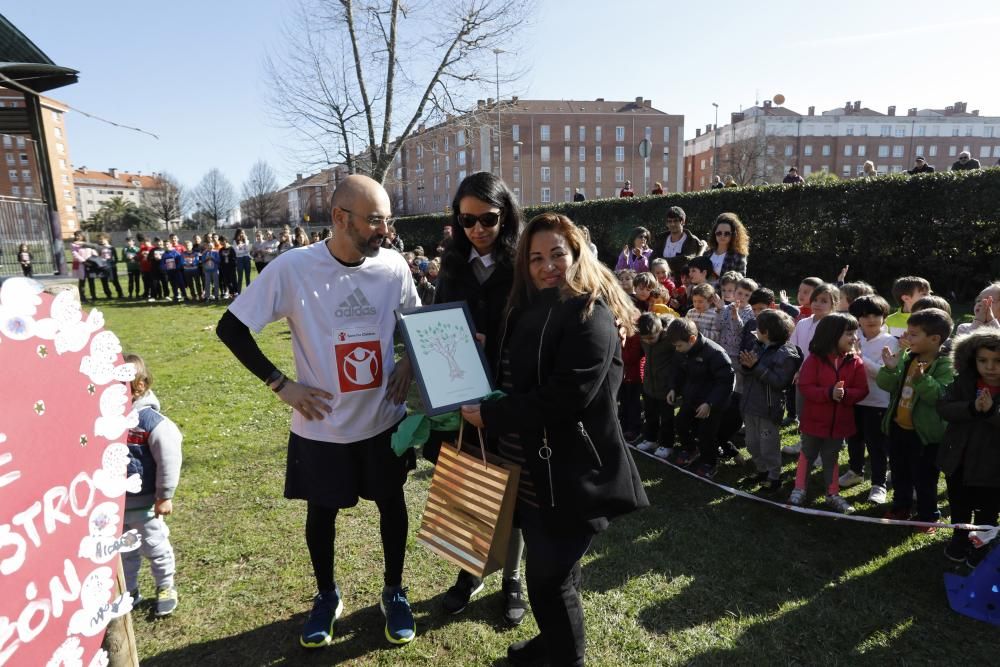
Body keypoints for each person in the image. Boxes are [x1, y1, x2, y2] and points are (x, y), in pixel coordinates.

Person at [216, 174, 420, 648]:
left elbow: (416, 319)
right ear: (339, 218)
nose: (384, 231)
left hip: (382, 420)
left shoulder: (392, 267)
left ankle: (394, 591)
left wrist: (409, 359)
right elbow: (231, 328)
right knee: (322, 513)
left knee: (392, 503)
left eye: (387, 221)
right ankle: (326, 596)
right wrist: (281, 385)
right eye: (374, 221)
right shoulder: (293, 269)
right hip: (322, 427)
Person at [461, 212, 647, 667]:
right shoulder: (527, 306)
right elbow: (519, 374)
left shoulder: (592, 314)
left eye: (557, 254)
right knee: (553, 574)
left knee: (549, 581)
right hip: (527, 468)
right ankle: (551, 646)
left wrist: (491, 413)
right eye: (536, 257)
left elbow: (566, 397)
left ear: (577, 254)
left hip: (568, 473)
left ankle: (567, 659)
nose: (548, 266)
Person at [431, 171, 528, 625]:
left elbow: (536, 330)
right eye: (466, 220)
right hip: (464, 390)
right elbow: (435, 324)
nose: (478, 229)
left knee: (513, 487)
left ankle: (512, 576)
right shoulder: (452, 265)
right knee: (471, 482)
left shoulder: (523, 264)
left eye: (488, 218)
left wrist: (496, 345)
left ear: (504, 214)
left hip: (510, 391)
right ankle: (470, 570)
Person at [878, 308, 955, 529]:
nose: (906, 337)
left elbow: (939, 397)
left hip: (924, 435)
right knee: (900, 471)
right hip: (899, 428)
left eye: (913, 334)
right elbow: (887, 385)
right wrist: (890, 369)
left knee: (924, 477)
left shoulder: (945, 366)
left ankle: (928, 515)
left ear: (934, 339)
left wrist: (922, 380)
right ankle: (901, 506)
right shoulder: (907, 357)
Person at [787, 313, 868, 513]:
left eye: (855, 333)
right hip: (814, 421)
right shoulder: (814, 360)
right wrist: (828, 393)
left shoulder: (855, 362)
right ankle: (799, 488)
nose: (854, 338)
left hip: (840, 423)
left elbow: (862, 389)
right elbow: (805, 387)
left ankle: (832, 493)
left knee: (831, 458)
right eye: (849, 333)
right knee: (807, 454)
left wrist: (846, 394)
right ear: (832, 335)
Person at [122, 353, 183, 617]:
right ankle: (130, 590)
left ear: (141, 386)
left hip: (146, 502)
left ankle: (165, 586)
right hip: (117, 505)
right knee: (125, 551)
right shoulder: (107, 419)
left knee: (155, 546)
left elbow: (169, 459)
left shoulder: (152, 423)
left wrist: (164, 495)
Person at [937, 329, 1000, 566]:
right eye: (983, 361)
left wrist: (992, 412)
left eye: (997, 361)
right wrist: (972, 408)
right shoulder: (963, 382)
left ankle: (981, 546)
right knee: (959, 503)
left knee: (988, 509)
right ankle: (960, 537)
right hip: (959, 460)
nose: (990, 367)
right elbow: (944, 407)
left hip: (993, 467)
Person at [842, 295, 898, 504]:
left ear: (884, 316)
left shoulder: (891, 342)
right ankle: (855, 471)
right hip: (853, 400)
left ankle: (878, 484)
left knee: (877, 446)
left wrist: (859, 358)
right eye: (864, 315)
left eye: (876, 314)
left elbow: (883, 375)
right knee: (854, 439)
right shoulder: (852, 337)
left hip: (878, 402)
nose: (870, 319)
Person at [665, 317, 735, 477]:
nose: (677, 349)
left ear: (692, 339)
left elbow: (725, 383)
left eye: (679, 346)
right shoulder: (682, 351)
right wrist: (673, 388)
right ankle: (691, 450)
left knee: (706, 434)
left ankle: (709, 462)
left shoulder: (716, 354)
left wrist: (710, 403)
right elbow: (677, 370)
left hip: (712, 403)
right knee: (681, 423)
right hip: (691, 396)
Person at [738, 309, 800, 493]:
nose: (755, 331)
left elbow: (780, 382)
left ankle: (774, 477)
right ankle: (761, 470)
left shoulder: (787, 354)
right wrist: (746, 365)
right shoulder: (758, 344)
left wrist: (756, 367)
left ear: (765, 332)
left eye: (758, 328)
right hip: (750, 405)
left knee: (768, 445)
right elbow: (747, 369)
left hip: (768, 408)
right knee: (752, 443)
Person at [783, 283, 840, 456]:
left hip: (824, 378)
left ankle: (825, 450)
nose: (817, 304)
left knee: (822, 415)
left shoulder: (835, 325)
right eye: (815, 299)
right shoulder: (802, 323)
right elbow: (794, 348)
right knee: (803, 412)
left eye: (824, 301)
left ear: (834, 304)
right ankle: (805, 443)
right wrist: (796, 369)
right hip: (803, 376)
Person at [635, 313, 678, 460]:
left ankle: (667, 445)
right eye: (645, 339)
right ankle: (651, 439)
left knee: (666, 418)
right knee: (650, 414)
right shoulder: (644, 338)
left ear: (660, 330)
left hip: (665, 388)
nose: (648, 341)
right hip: (648, 384)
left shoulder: (670, 341)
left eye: (652, 338)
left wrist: (673, 385)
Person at [649, 206, 708, 278]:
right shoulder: (661, 239)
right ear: (666, 223)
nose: (672, 224)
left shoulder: (691, 240)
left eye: (675, 221)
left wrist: (660, 262)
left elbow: (686, 261)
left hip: (683, 282)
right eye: (669, 221)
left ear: (683, 222)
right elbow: (651, 260)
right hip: (661, 282)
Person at [702, 212, 749, 280]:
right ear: (714, 234)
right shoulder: (707, 254)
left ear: (733, 235)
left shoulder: (738, 256)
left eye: (727, 233)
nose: (722, 236)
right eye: (719, 233)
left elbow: (740, 282)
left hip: (724, 290)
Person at [71, 231, 97, 303]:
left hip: (90, 264)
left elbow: (93, 250)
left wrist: (93, 259)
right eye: (76, 236)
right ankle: (82, 297)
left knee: (91, 280)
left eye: (79, 236)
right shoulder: (74, 245)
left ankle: (93, 296)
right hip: (81, 264)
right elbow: (75, 254)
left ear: (83, 236)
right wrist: (83, 261)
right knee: (82, 281)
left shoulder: (87, 244)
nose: (77, 237)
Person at [96, 233, 124, 299]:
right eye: (99, 239)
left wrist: (112, 264)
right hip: (102, 266)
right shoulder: (98, 247)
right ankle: (108, 295)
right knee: (104, 281)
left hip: (111, 266)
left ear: (107, 239)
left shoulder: (111, 248)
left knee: (114, 280)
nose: (100, 241)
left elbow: (116, 258)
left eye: (102, 239)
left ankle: (120, 294)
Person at [233, 229, 253, 294]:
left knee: (248, 277)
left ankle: (249, 292)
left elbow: (247, 250)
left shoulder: (247, 241)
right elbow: (237, 252)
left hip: (246, 259)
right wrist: (244, 251)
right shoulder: (235, 241)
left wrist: (246, 241)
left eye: (243, 233)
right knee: (240, 277)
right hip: (239, 259)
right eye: (241, 233)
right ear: (238, 234)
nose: (242, 234)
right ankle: (239, 293)